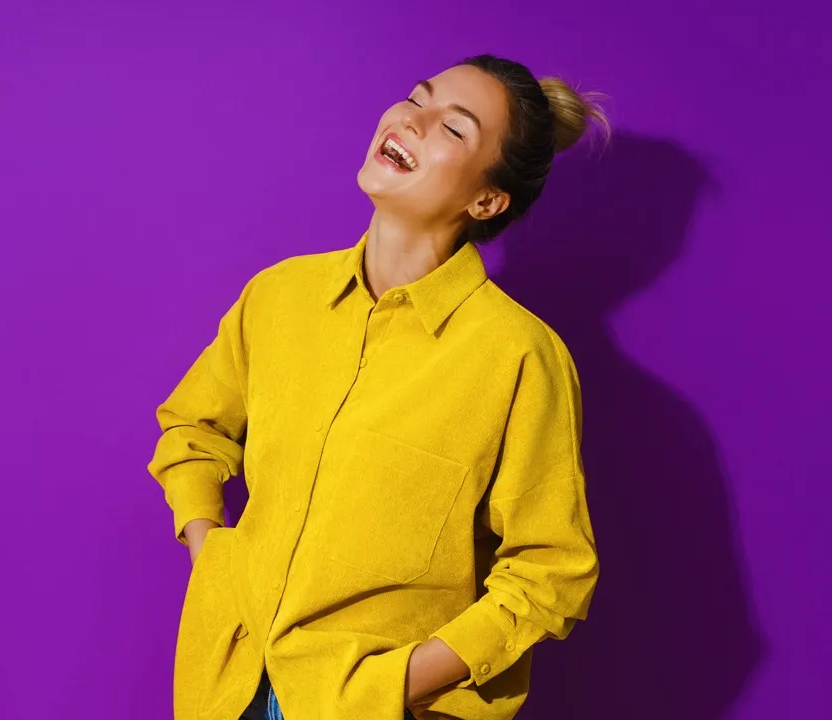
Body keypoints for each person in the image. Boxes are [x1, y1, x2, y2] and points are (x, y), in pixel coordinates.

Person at [147, 53, 607, 720]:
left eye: (454, 129)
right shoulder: (279, 297)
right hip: (226, 687)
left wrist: (399, 683)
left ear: (486, 199)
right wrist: (208, 553)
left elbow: (551, 570)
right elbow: (193, 426)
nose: (412, 121)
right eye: (417, 99)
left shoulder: (517, 356)